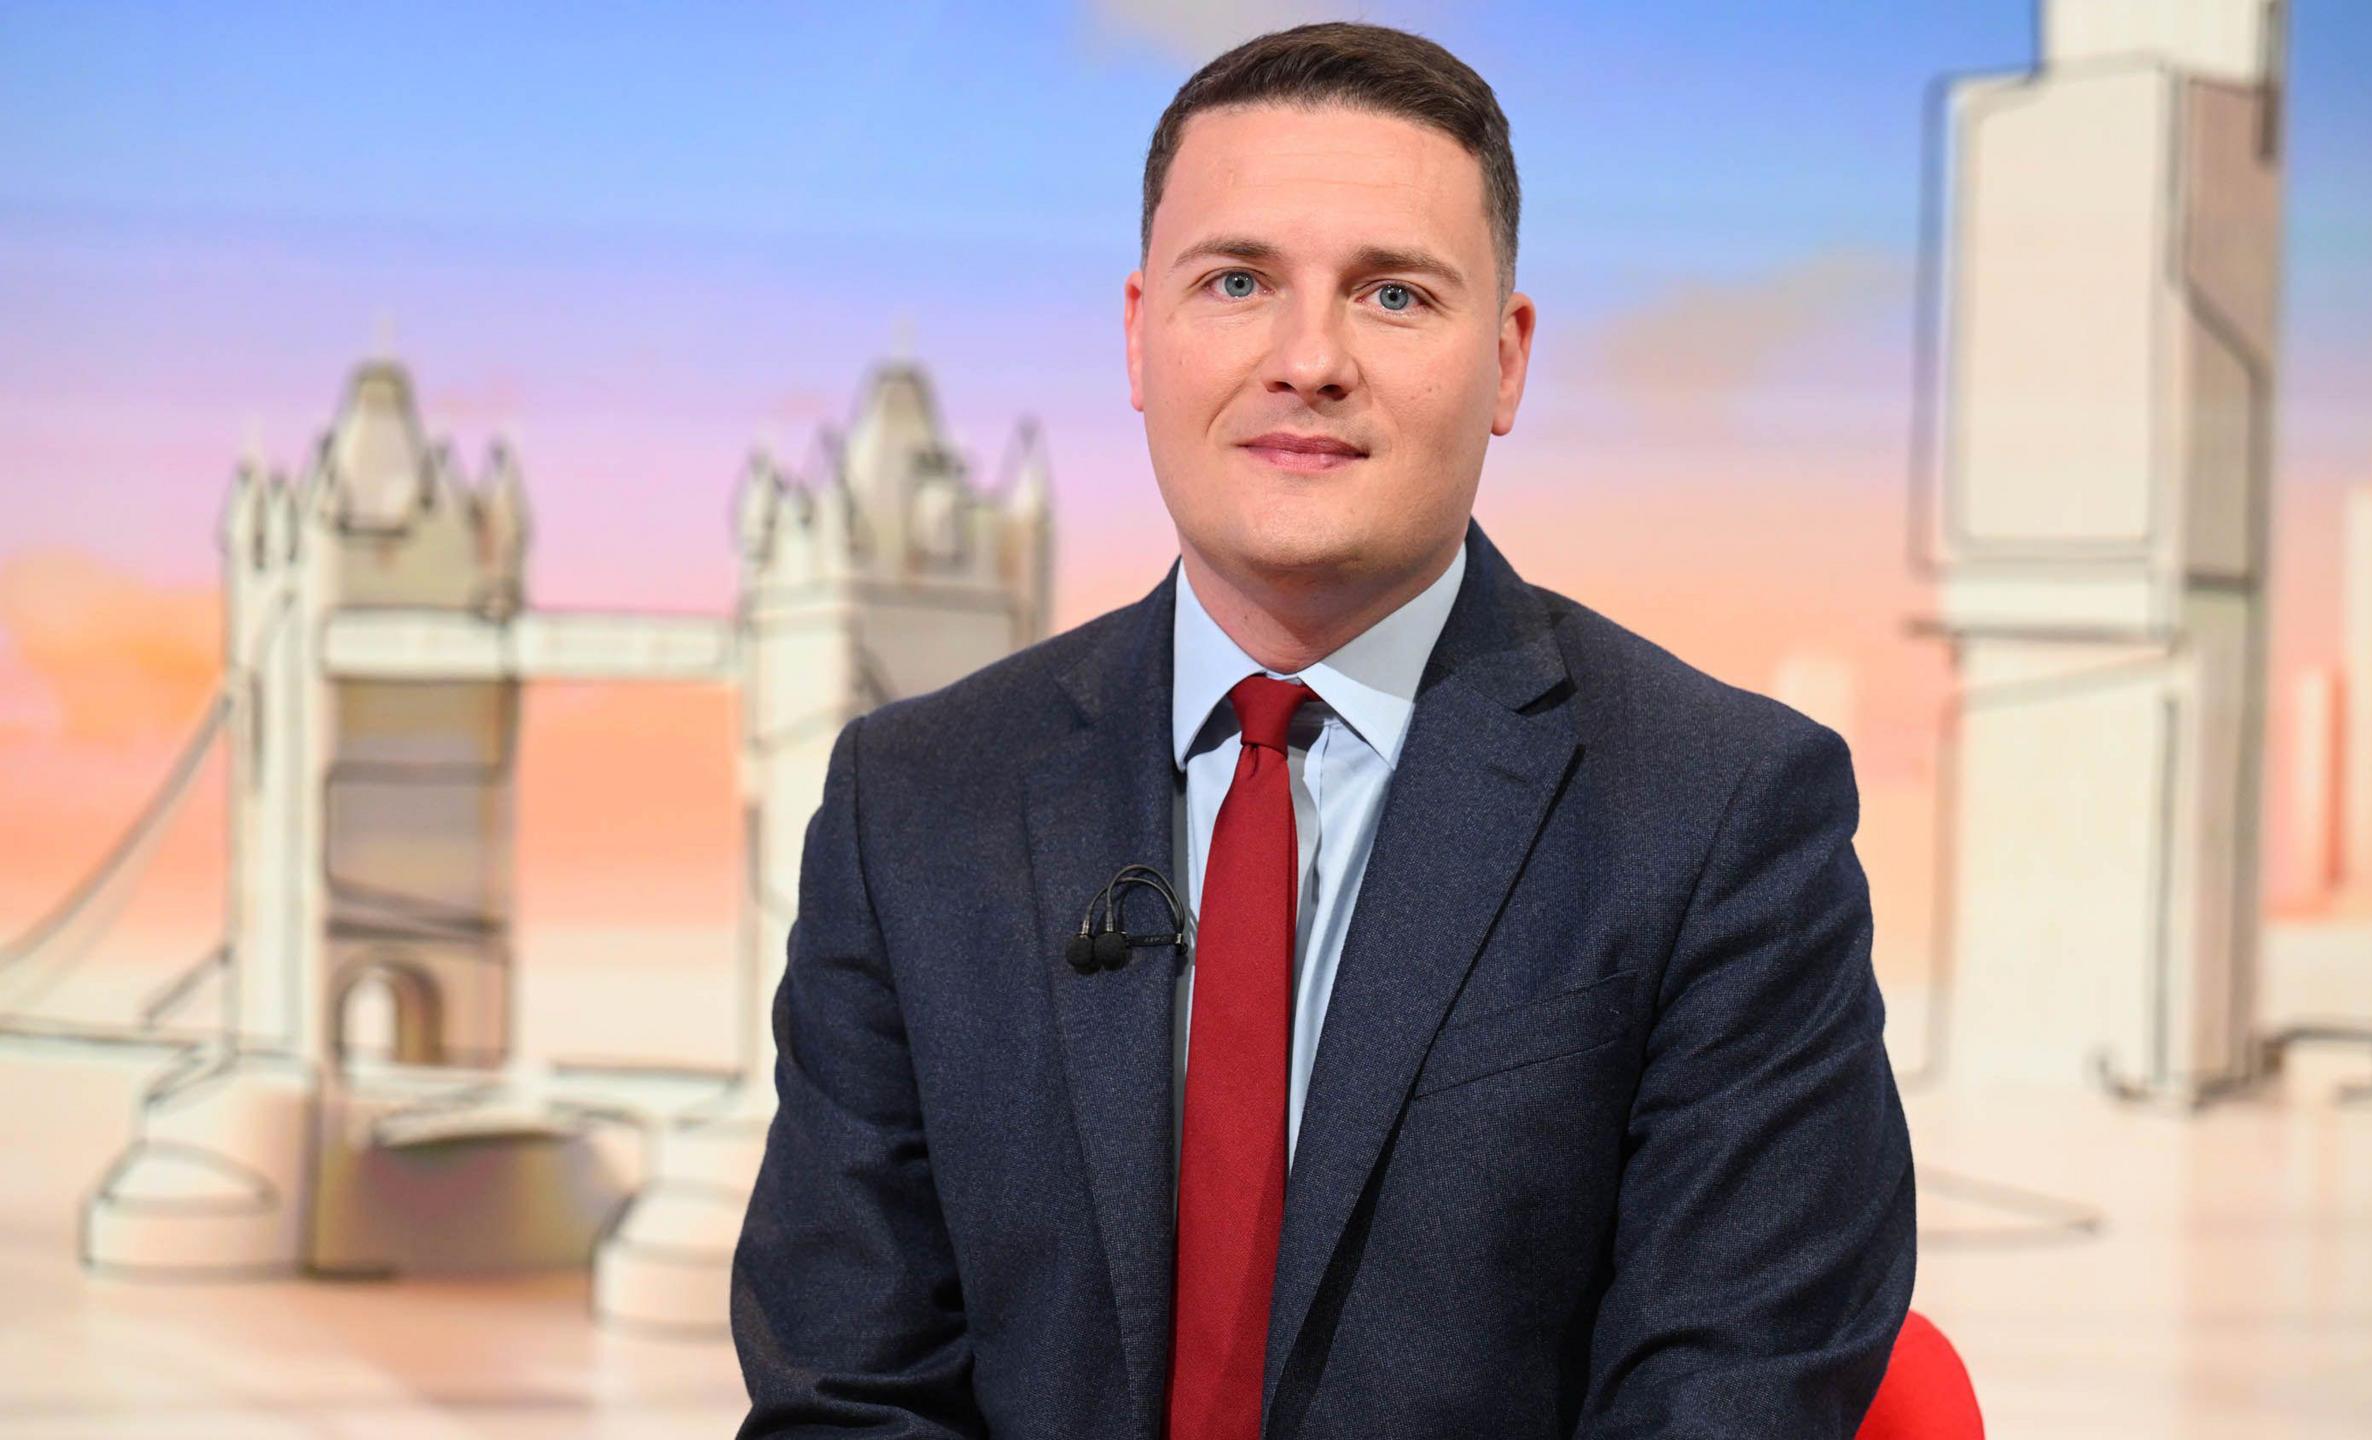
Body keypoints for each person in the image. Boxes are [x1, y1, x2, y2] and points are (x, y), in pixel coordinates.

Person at [731, 20, 1915, 1439]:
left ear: (1509, 359)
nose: (1311, 360)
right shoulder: (912, 804)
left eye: (1394, 296)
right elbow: (846, 1390)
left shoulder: (1722, 815)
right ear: (1138, 334)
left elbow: (1734, 1395)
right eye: (1237, 282)